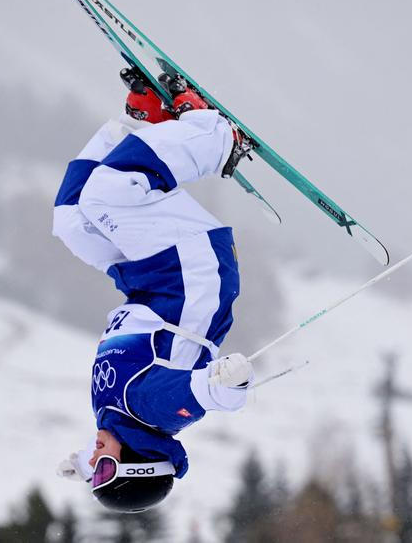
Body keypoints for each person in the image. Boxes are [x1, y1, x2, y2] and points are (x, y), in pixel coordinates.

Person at [52, 68, 254, 513]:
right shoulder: (150, 409)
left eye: (95, 473)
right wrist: (229, 384)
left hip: (148, 279)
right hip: (190, 273)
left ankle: (143, 125)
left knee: (72, 221)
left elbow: (104, 450)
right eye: (105, 469)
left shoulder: (117, 421)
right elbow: (204, 396)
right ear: (139, 462)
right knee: (106, 196)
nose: (96, 462)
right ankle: (217, 137)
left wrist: (82, 465)